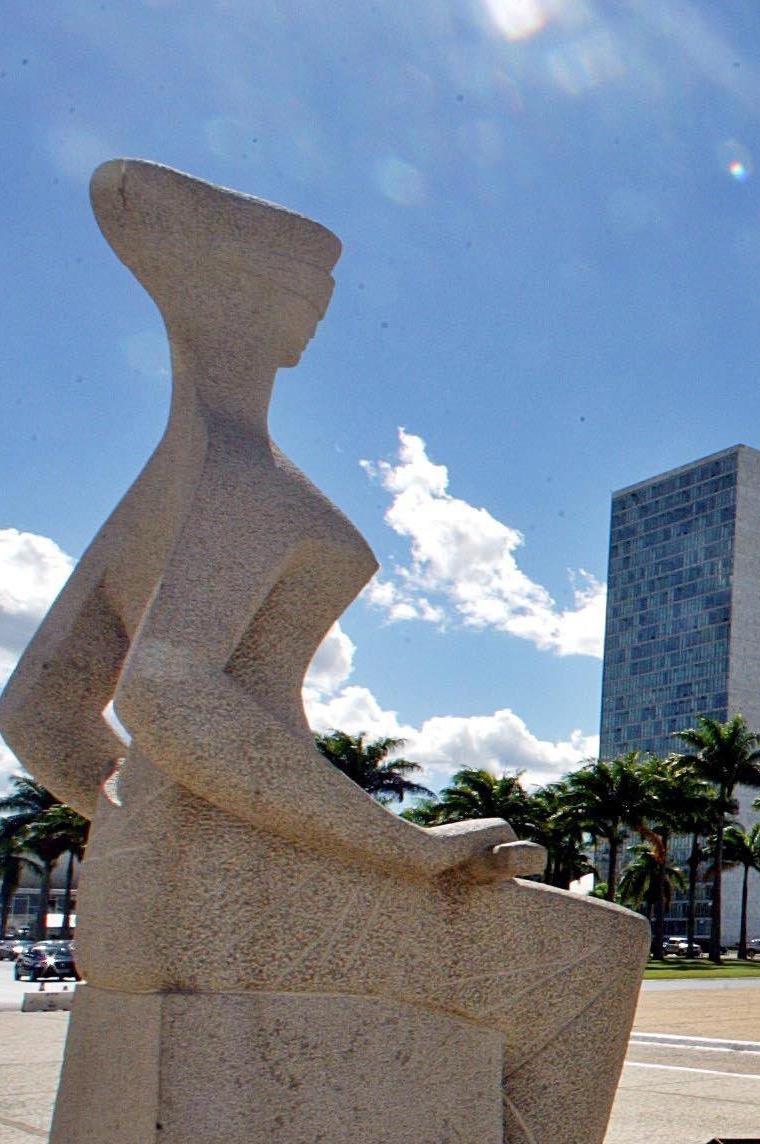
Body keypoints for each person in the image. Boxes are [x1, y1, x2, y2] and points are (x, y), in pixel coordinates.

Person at [0, 159, 647, 1144]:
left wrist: (137, 820)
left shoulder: (161, 481)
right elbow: (168, 692)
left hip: (142, 890)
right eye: (306, 288)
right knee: (596, 956)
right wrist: (405, 847)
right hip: (240, 898)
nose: (321, 309)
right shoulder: (243, 477)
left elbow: (38, 712)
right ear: (243, 294)